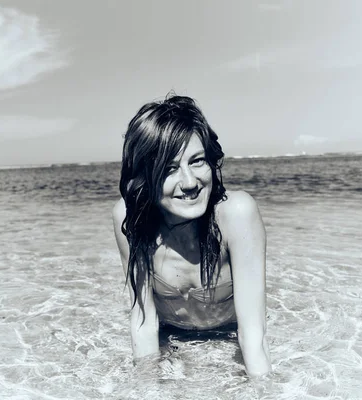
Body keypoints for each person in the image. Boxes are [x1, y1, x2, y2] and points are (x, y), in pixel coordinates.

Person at [112, 94, 271, 377]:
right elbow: (144, 321)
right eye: (170, 169)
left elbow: (253, 333)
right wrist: (147, 390)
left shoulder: (236, 214)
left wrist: (264, 390)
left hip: (229, 338)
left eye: (197, 161)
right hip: (172, 339)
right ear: (144, 177)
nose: (189, 182)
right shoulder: (130, 218)